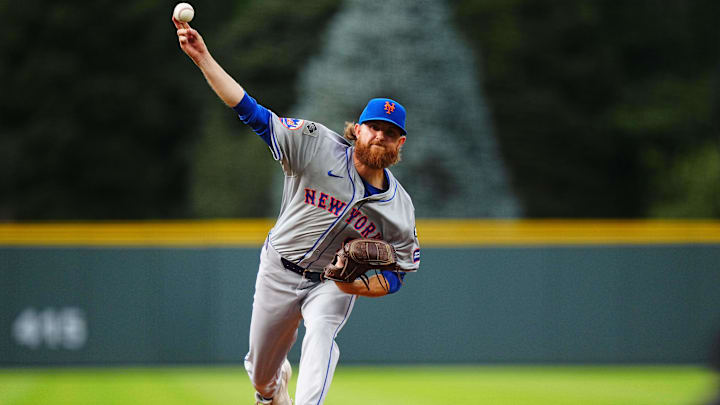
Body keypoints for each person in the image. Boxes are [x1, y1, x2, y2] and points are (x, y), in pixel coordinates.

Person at [172, 16, 420, 405]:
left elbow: (400, 273)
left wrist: (355, 285)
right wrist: (203, 57)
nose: (380, 136)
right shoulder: (314, 144)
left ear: (399, 142)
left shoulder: (399, 209)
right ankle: (273, 389)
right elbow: (251, 112)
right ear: (357, 129)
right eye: (374, 127)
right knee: (260, 377)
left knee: (321, 330)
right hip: (280, 268)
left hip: (331, 281)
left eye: (389, 132)